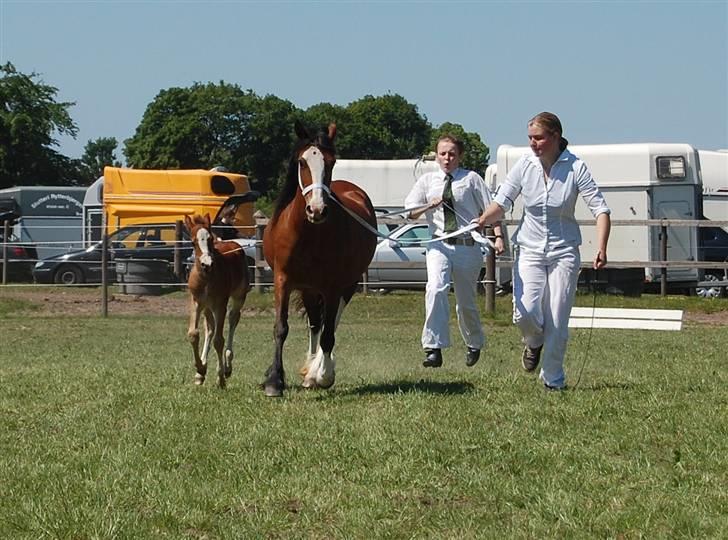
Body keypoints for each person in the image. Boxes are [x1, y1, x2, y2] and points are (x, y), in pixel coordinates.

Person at [476, 112, 611, 390]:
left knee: (557, 320)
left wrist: (601, 247)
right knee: (524, 313)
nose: (533, 144)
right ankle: (533, 342)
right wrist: (482, 220)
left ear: (555, 137)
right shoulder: (524, 165)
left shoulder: (575, 167)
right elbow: (501, 203)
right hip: (529, 249)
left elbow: (600, 209)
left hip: (564, 252)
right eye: (530, 138)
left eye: (538, 138)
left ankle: (553, 380)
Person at [404, 134, 504, 368]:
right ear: (436, 155)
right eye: (442, 153)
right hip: (438, 244)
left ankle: (474, 342)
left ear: (459, 156)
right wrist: (429, 205)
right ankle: (433, 347)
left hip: (467, 246)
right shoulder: (427, 181)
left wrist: (498, 237)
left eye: (452, 154)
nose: (447, 158)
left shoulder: (471, 179)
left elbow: (492, 210)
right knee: (436, 289)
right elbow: (410, 212)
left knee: (465, 302)